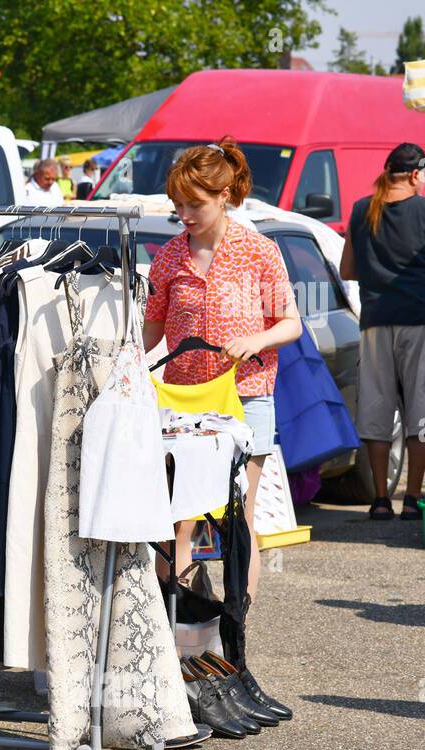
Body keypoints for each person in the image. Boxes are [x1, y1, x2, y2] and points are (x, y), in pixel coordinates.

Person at [144, 136, 302, 604]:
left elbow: (291, 323)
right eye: (178, 206)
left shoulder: (259, 252)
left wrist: (255, 339)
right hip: (183, 400)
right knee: (179, 517)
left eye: (195, 205)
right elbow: (149, 333)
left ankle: (236, 627)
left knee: (239, 515)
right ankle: (179, 619)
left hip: (246, 394)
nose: (185, 216)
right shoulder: (169, 256)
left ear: (225, 197)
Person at [340, 143, 425, 520]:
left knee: (377, 410)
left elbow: (347, 270)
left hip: (376, 322)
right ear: (414, 174)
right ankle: (411, 498)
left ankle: (379, 499)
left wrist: (381, 275)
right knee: (421, 408)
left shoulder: (361, 210)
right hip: (421, 320)